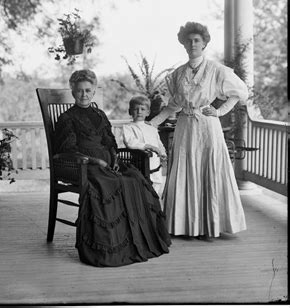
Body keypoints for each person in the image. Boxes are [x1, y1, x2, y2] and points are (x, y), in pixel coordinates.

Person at [54, 69, 171, 267]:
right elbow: (67, 148)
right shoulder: (67, 118)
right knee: (110, 182)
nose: (84, 94)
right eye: (80, 91)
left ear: (93, 91)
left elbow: (110, 141)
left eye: (88, 90)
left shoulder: (99, 114)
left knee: (134, 178)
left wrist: (115, 157)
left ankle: (139, 242)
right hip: (82, 165)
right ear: (73, 92)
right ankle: (112, 246)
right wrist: (94, 161)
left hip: (109, 162)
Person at [149, 21, 248, 239]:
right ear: (183, 44)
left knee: (208, 169)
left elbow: (240, 93)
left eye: (197, 40)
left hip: (207, 127)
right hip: (185, 127)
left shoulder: (216, 70)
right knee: (186, 170)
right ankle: (186, 226)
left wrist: (219, 111)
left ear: (204, 44)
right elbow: (173, 106)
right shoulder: (177, 74)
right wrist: (152, 123)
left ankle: (209, 226)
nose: (193, 44)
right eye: (189, 41)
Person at [122, 95, 167, 201]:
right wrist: (146, 146)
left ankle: (153, 208)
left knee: (156, 184)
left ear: (148, 112)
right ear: (130, 111)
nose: (139, 112)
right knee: (141, 189)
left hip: (155, 164)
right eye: (135, 109)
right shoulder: (128, 128)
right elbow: (130, 142)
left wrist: (163, 153)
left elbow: (159, 143)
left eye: (142, 109)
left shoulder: (152, 128)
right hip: (139, 164)